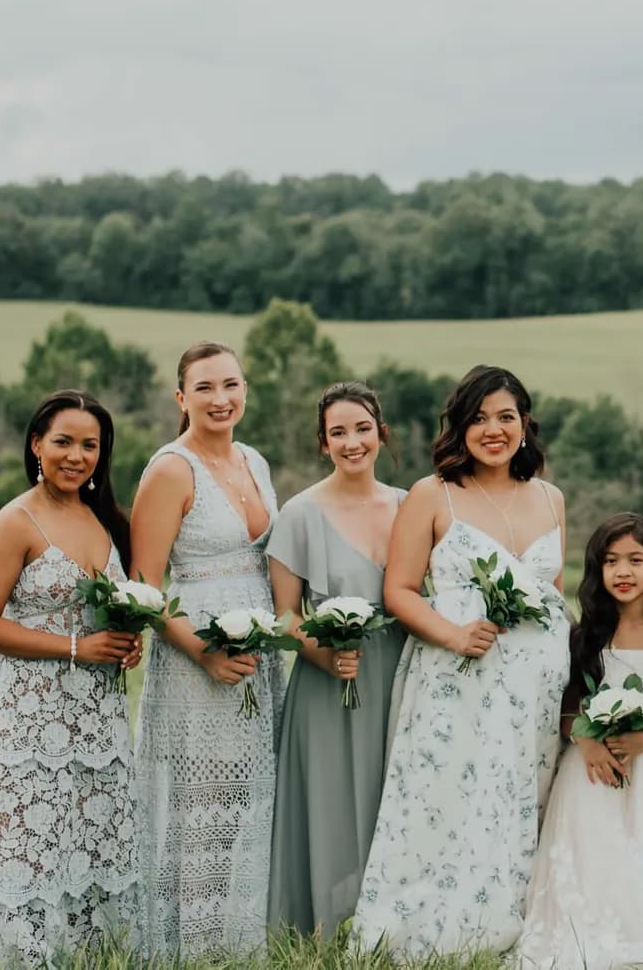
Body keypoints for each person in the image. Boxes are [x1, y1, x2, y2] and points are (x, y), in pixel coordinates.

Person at [352, 365, 571, 957]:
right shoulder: (433, 494)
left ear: (526, 424)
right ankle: (424, 926)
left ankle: (508, 920)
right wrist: (451, 635)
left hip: (535, 687)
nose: (493, 430)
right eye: (478, 418)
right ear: (460, 427)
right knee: (444, 796)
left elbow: (550, 591)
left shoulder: (551, 498)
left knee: (520, 797)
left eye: (506, 417)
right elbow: (398, 591)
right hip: (457, 677)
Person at [0, 390, 142, 968]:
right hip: (32, 711)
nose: (76, 455)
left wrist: (124, 639)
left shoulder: (105, 518)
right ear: (37, 444)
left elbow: (108, 609)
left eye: (90, 445)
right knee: (29, 848)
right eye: (63, 442)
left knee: (90, 843)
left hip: (97, 714)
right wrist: (74, 647)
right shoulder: (17, 519)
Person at [129, 342, 284, 959]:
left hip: (257, 653)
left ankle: (239, 934)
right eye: (205, 388)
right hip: (197, 656)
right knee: (203, 800)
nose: (221, 400)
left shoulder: (255, 461)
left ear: (246, 389)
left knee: (246, 794)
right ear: (181, 398)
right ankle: (190, 942)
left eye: (231, 385)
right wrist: (206, 654)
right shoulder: (171, 469)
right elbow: (142, 586)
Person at [517, 514, 643, 970]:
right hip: (591, 772)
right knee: (594, 853)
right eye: (611, 561)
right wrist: (587, 741)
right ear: (597, 570)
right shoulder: (584, 635)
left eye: (636, 560)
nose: (623, 572)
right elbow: (563, 710)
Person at [266, 381, 409, 937]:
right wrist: (325, 655)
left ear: (382, 434)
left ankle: (389, 927)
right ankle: (325, 925)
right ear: (322, 444)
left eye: (362, 429)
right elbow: (284, 615)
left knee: (391, 792)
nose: (352, 442)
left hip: (400, 669)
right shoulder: (299, 514)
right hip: (329, 677)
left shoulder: (408, 504)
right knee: (332, 799)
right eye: (338, 433)